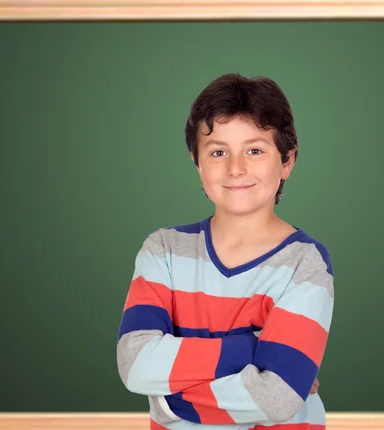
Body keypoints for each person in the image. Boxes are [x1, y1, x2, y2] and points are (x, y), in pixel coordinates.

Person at [116, 73, 334, 430]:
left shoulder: (304, 262)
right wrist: (254, 349)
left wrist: (166, 400)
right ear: (196, 161)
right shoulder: (162, 251)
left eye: (255, 150)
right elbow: (136, 364)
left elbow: (278, 397)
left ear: (287, 161)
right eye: (218, 152)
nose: (236, 168)